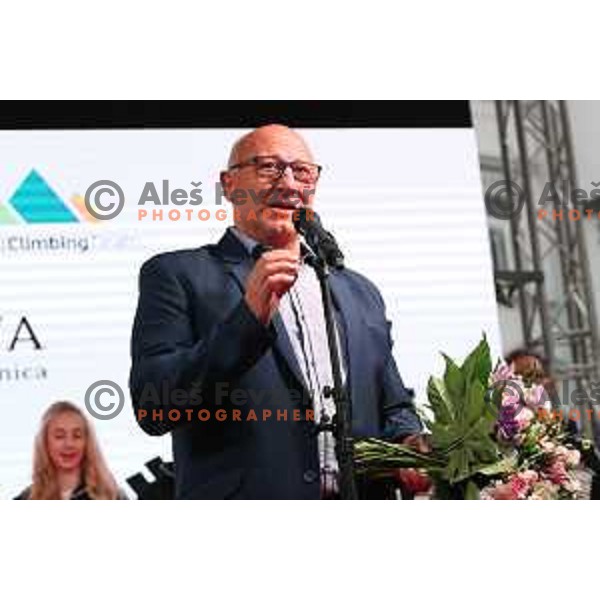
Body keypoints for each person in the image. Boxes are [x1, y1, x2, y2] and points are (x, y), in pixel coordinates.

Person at [130, 123, 427, 499]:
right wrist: (248, 318)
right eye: (269, 167)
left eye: (302, 171)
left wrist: (409, 445)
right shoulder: (177, 275)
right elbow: (153, 408)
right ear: (230, 184)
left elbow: (393, 404)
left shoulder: (360, 291)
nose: (288, 184)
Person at [15, 400, 126, 500]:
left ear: (87, 442)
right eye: (59, 436)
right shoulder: (26, 499)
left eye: (77, 436)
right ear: (45, 442)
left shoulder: (111, 496)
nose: (69, 444)